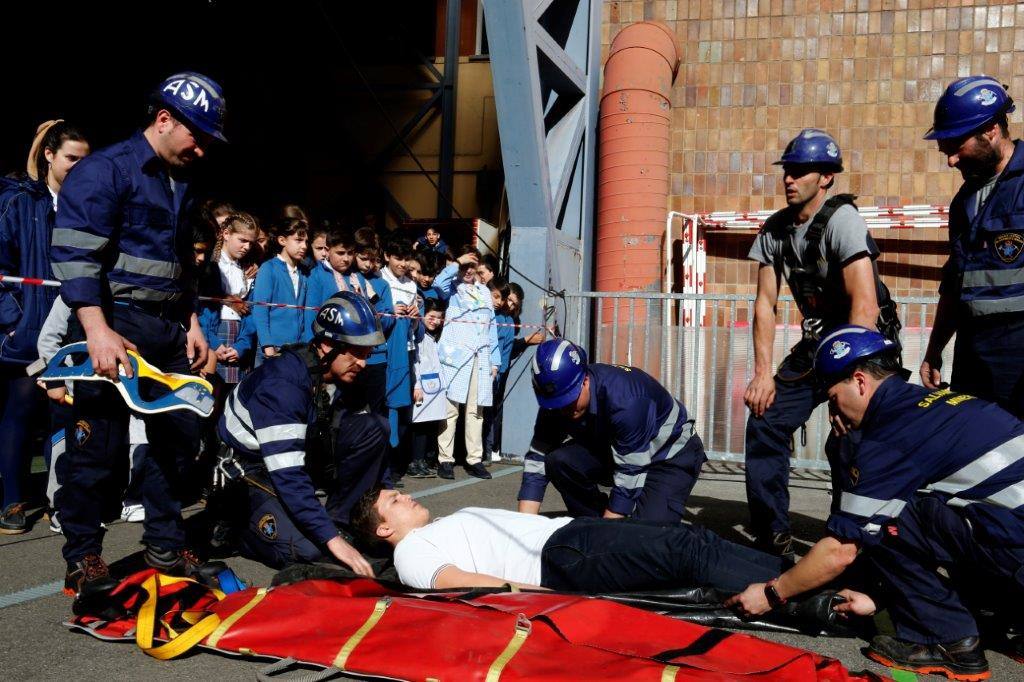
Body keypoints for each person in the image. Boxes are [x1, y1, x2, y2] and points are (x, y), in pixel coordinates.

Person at [727, 325, 1024, 680]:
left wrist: (773, 593)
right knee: (937, 505)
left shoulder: (889, 436)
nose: (835, 412)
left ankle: (950, 641)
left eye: (833, 398)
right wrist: (880, 598)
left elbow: (842, 550)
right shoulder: (940, 404)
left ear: (860, 381)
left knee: (883, 520)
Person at [49, 72, 227, 602]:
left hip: (169, 329)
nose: (202, 147)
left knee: (176, 446)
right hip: (114, 326)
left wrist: (191, 321)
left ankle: (165, 549)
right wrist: (96, 328)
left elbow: (180, 264)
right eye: (196, 134)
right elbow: (76, 252)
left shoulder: (181, 178)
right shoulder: (106, 170)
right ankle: (82, 560)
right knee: (96, 453)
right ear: (164, 119)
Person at [742, 128, 898, 556]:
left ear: (826, 177)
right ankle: (771, 536)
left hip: (864, 347)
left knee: (848, 439)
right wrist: (762, 376)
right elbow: (764, 304)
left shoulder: (843, 221)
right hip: (817, 344)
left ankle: (847, 537)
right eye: (787, 171)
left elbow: (864, 306)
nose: (790, 179)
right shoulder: (774, 231)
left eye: (801, 172)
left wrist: (846, 386)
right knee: (765, 421)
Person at [218, 292, 390, 571]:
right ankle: (238, 527)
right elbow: (288, 474)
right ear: (325, 345)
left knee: (374, 428)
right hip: (251, 469)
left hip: (297, 454)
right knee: (312, 549)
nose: (363, 363)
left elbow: (375, 454)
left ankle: (339, 521)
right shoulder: (283, 385)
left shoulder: (343, 374)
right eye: (356, 352)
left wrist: (387, 509)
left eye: (367, 353)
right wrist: (331, 540)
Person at [352, 487, 786, 594]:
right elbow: (458, 581)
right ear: (384, 529)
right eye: (394, 500)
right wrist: (536, 595)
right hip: (562, 559)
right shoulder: (410, 552)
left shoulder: (431, 530)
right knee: (688, 553)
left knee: (691, 540)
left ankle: (800, 577)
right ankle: (807, 590)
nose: (406, 495)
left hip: (570, 535)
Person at [0, 120, 89, 533]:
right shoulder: (18, 201)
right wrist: (15, 321)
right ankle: (13, 501)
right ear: (50, 155)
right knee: (20, 412)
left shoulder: (87, 204)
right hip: (26, 331)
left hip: (71, 330)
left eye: (84, 161)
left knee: (64, 415)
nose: (78, 167)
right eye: (71, 158)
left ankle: (60, 499)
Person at [920, 76, 1024, 419]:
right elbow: (955, 282)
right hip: (973, 351)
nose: (950, 160)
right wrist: (935, 350)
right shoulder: (963, 202)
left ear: (991, 130)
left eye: (955, 147)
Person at [518, 339, 706, 522]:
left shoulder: (626, 401)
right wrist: (523, 526)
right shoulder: (556, 402)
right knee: (559, 461)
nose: (563, 409)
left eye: (569, 399)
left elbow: (630, 470)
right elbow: (538, 457)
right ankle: (591, 526)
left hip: (668, 457)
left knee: (646, 538)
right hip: (619, 450)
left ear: (584, 380)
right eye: (557, 403)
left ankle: (605, 534)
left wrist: (608, 533)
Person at [436, 253, 500, 480]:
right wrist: (457, 262)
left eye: (472, 266)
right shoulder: (451, 288)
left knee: (476, 410)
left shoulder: (484, 291)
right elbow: (437, 283)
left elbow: (491, 327)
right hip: (455, 357)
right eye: (465, 266)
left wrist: (495, 360)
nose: (468, 271)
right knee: (450, 409)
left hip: (480, 358)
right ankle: (445, 459)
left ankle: (474, 459)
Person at [251, 217, 310, 362]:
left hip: (297, 348)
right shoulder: (269, 268)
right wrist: (267, 345)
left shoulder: (303, 273)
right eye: (298, 240)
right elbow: (260, 310)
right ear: (282, 240)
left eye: (306, 242)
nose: (304, 246)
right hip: (273, 347)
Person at [407, 298, 447, 478]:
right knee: (420, 426)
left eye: (438, 317)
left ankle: (423, 460)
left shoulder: (435, 338)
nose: (434, 321)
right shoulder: (419, 338)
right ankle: (415, 460)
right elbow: (415, 363)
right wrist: (416, 386)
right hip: (422, 388)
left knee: (430, 425)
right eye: (430, 316)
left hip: (435, 388)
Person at [483, 277, 513, 464]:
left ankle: (486, 450)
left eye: (501, 298)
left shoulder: (506, 320)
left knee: (488, 413)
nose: (498, 302)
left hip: (495, 373)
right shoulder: (484, 315)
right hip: (479, 368)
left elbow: (505, 350)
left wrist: (498, 371)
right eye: (495, 296)